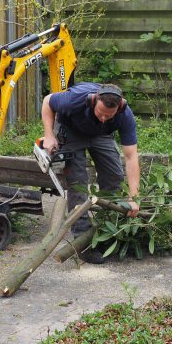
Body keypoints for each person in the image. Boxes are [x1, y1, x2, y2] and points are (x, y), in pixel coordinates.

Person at [41, 82, 140, 264]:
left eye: (108, 116)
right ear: (93, 101)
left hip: (101, 135)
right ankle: (84, 243)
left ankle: (107, 231)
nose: (103, 118)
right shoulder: (75, 99)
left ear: (119, 109)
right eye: (101, 113)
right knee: (78, 184)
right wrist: (49, 135)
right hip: (70, 131)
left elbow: (131, 156)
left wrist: (134, 197)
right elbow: (47, 102)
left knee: (114, 176)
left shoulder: (124, 114)